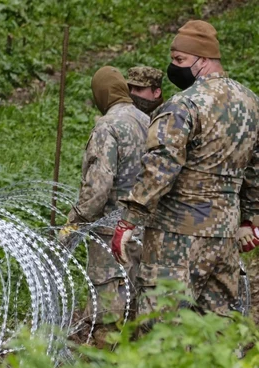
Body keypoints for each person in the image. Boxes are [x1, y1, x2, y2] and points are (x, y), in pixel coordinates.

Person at [112, 20, 259, 325]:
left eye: (179, 60)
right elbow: (256, 169)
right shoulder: (251, 104)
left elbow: (161, 166)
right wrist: (249, 217)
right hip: (225, 237)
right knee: (216, 332)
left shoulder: (183, 105)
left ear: (203, 60)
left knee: (163, 333)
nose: (173, 67)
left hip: (176, 239)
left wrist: (129, 219)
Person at [62, 66, 149, 340]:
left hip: (110, 232)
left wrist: (75, 221)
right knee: (136, 305)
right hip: (144, 227)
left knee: (108, 311)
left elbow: (99, 185)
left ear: (101, 93)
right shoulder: (148, 120)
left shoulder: (107, 126)